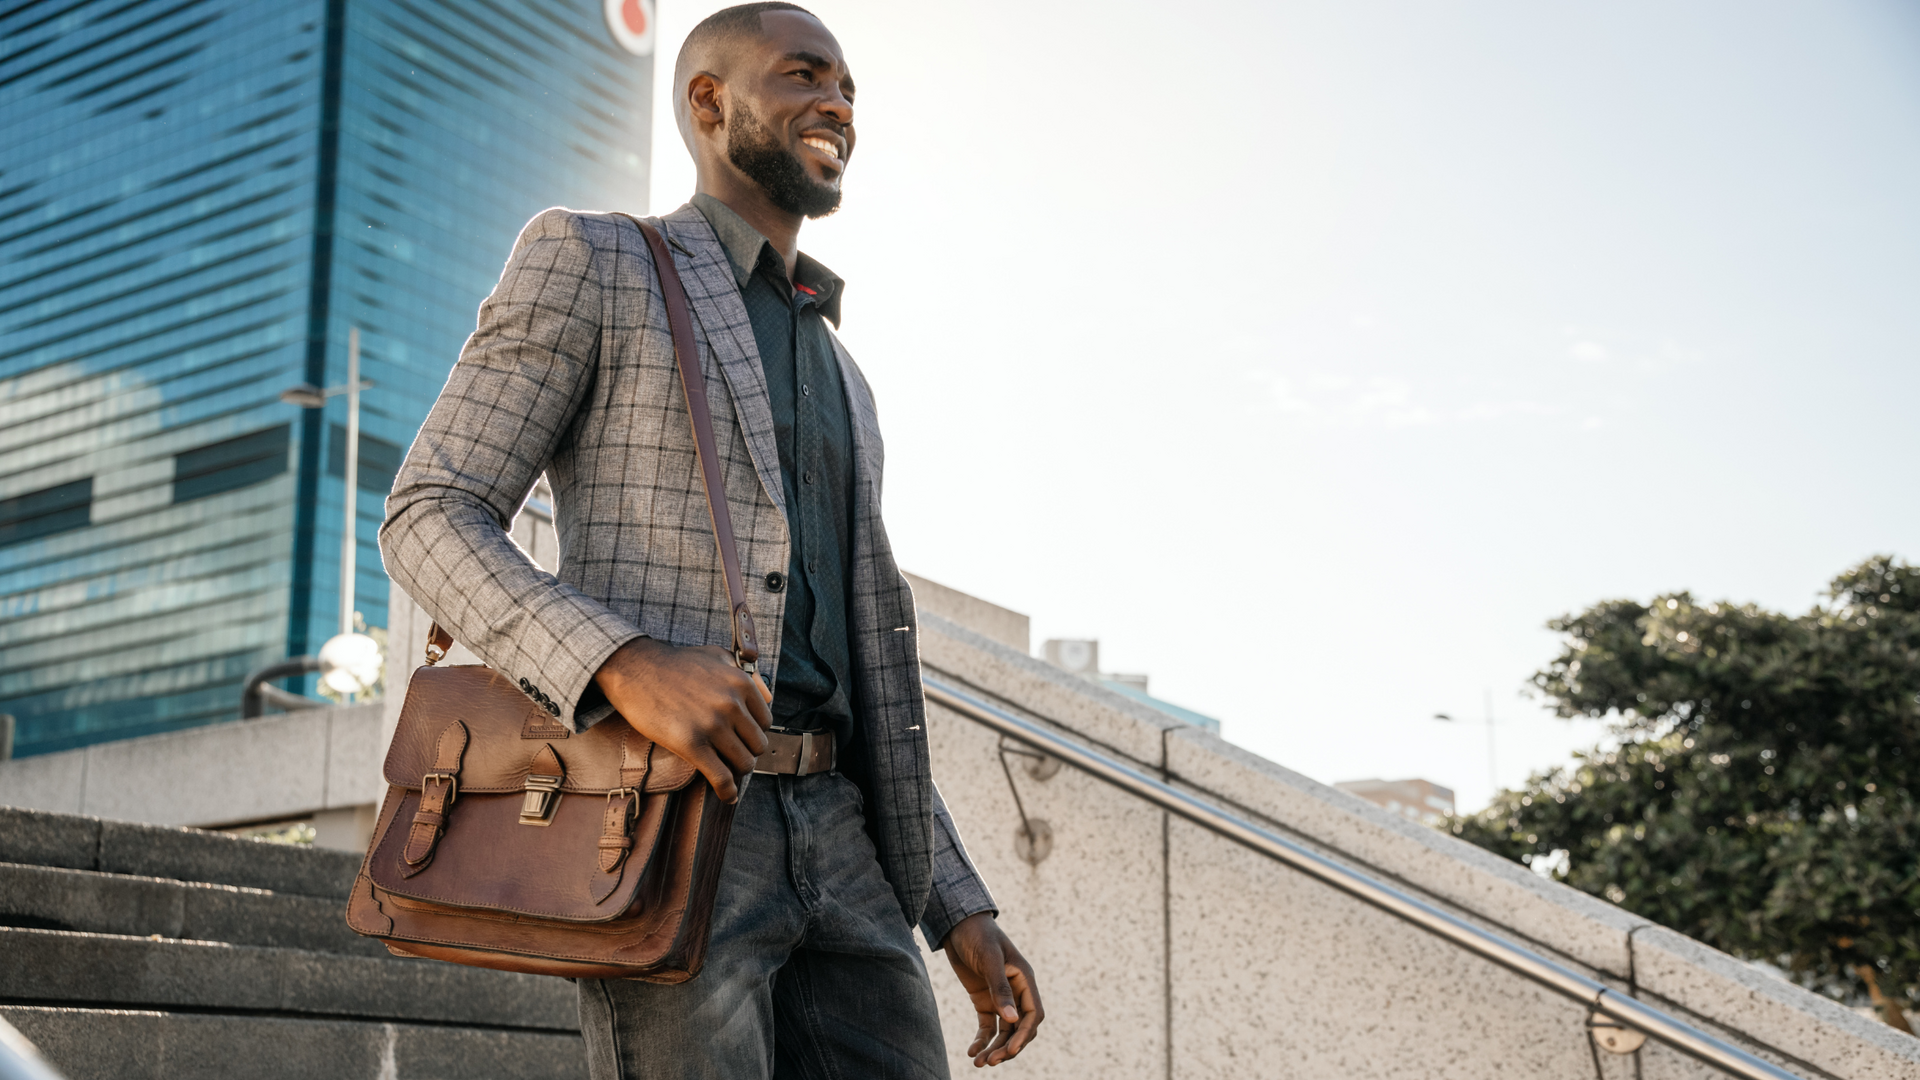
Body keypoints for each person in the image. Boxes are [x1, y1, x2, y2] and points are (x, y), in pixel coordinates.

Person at [378, 3, 1043, 1076]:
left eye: (850, 89)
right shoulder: (594, 260)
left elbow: (859, 664)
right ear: (709, 101)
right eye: (804, 75)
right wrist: (621, 662)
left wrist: (957, 904)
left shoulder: (845, 374)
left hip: (846, 833)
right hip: (668, 816)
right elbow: (428, 513)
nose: (839, 103)